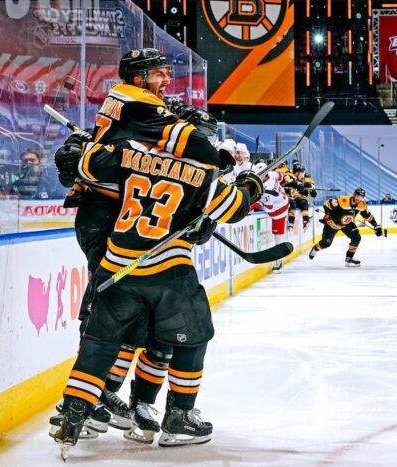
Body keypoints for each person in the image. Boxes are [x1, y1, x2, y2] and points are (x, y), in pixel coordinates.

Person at [52, 48, 228, 436]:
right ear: (138, 76)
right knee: (109, 307)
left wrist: (199, 220)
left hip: (115, 212)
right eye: (159, 74)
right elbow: (194, 151)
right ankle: (88, 399)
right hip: (106, 215)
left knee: (131, 312)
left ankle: (110, 398)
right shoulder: (137, 102)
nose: (166, 81)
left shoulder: (133, 105)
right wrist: (215, 156)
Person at [52, 134, 263, 454]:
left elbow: (82, 165)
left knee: (104, 338)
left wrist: (81, 148)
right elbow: (234, 207)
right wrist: (250, 185)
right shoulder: (200, 171)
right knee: (188, 334)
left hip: (117, 263)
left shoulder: (132, 157)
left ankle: (78, 409)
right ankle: (177, 414)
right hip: (165, 270)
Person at [308, 187, 382, 267]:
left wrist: (376, 226)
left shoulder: (362, 205)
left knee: (356, 237)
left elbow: (368, 216)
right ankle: (315, 248)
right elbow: (326, 203)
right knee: (326, 244)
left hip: (347, 224)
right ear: (354, 195)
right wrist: (327, 214)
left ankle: (349, 258)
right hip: (332, 224)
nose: (358, 198)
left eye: (361, 197)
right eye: (357, 196)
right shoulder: (343, 201)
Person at [250, 161, 290, 272]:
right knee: (279, 234)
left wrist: (257, 203)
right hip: (283, 203)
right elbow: (281, 176)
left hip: (279, 211)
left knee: (278, 236)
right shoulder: (272, 174)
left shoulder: (266, 190)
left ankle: (279, 260)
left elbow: (270, 207)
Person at [283, 164, 316, 231]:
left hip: (297, 199)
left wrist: (310, 188)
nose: (302, 175)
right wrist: (297, 184)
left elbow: (314, 194)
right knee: (292, 203)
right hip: (288, 198)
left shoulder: (304, 181)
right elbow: (287, 182)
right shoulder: (289, 175)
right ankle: (291, 222)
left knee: (304, 202)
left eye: (302, 173)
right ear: (296, 173)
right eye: (301, 173)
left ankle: (306, 221)